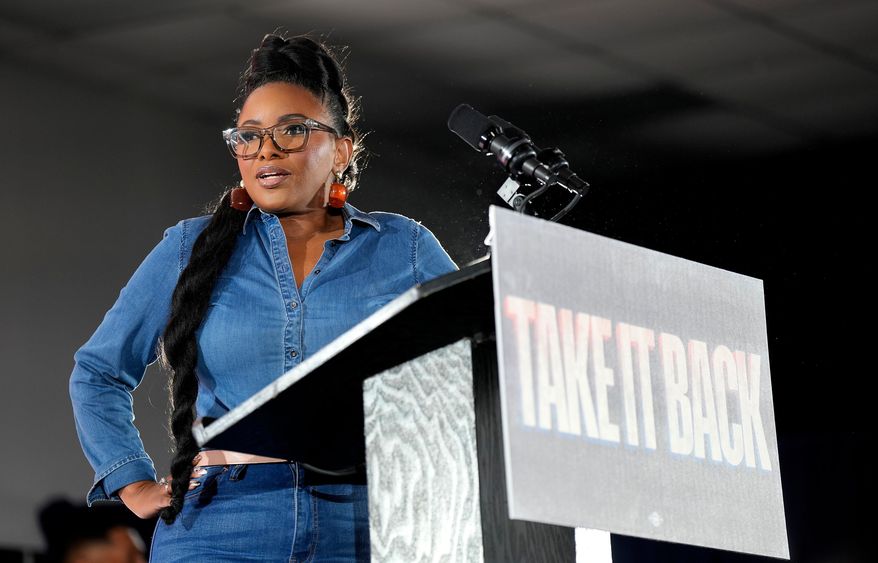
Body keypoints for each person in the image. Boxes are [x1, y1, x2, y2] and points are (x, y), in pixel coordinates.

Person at [69, 33, 458, 561]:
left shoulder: (402, 247)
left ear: (342, 149)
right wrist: (129, 480)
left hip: (367, 524)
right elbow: (98, 372)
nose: (266, 150)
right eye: (248, 136)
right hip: (218, 525)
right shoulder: (189, 247)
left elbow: (468, 372)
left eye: (293, 130)